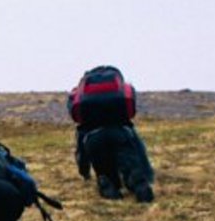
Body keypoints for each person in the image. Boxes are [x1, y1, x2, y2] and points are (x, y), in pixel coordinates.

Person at [67, 65, 156, 203]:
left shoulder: (82, 101)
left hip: (93, 138)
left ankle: (108, 184)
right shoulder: (118, 96)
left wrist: (84, 172)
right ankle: (138, 183)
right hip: (120, 133)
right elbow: (138, 145)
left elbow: (80, 148)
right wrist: (147, 172)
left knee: (105, 170)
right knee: (129, 165)